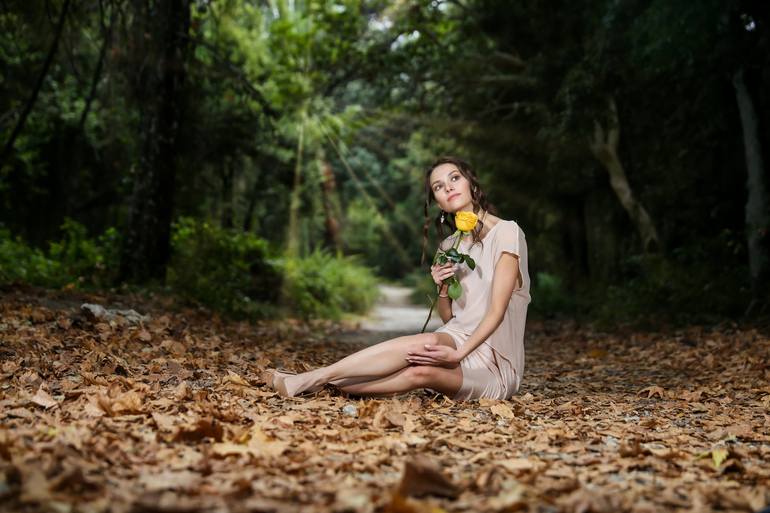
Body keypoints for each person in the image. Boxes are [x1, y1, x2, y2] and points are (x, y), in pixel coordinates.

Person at [264, 156, 530, 400]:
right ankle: (313, 381)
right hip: (455, 340)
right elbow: (452, 320)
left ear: (471, 183)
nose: (448, 187)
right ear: (437, 202)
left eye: (454, 178)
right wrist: (442, 288)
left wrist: (458, 354)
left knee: (419, 373)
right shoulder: (449, 246)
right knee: (426, 342)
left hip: (495, 361)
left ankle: (310, 381)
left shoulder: (507, 232)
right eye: (438, 186)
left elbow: (496, 310)